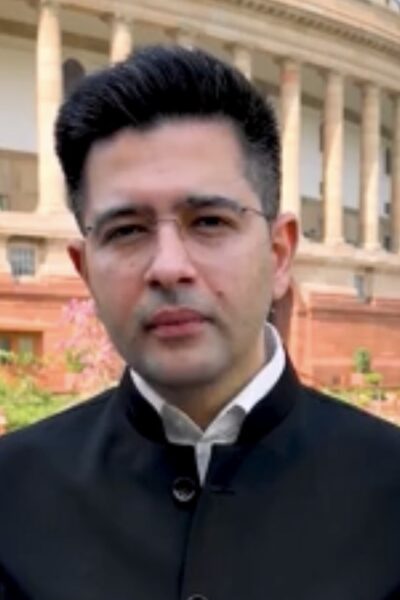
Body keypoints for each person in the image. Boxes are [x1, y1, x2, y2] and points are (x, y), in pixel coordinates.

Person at [1, 45, 400, 600]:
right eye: (126, 230)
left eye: (209, 221)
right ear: (85, 269)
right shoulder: (11, 492)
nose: (169, 267)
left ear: (279, 254)